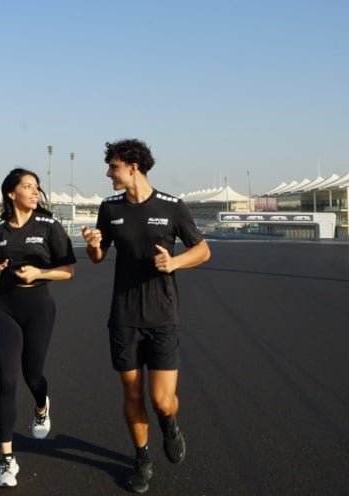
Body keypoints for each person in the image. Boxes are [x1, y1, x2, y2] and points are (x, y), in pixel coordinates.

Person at [80, 139, 211, 494]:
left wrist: (175, 262)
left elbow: (203, 250)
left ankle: (169, 424)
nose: (109, 173)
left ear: (133, 167)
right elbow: (97, 256)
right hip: (123, 317)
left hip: (162, 316)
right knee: (133, 396)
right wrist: (93, 244)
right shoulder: (109, 209)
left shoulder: (172, 207)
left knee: (161, 400)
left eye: (114, 167)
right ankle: (142, 458)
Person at [0, 168, 76, 488]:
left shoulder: (49, 226)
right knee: (6, 380)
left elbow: (68, 272)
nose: (35, 192)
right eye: (28, 187)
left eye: (37, 187)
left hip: (39, 308)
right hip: (5, 307)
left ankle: (41, 405)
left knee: (32, 375)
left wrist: (39, 274)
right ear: (11, 193)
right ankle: (7, 459)